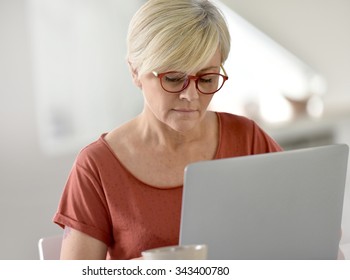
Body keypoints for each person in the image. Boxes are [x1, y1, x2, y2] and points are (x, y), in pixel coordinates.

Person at [53, 0, 283, 260]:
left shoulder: (247, 139)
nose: (191, 95)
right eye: (174, 78)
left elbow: (305, 227)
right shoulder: (97, 167)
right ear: (135, 71)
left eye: (207, 79)